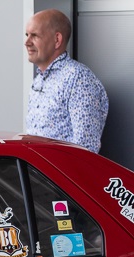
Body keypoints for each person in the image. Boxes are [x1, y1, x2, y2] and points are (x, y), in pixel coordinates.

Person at [24, 9, 108, 153]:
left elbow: (86, 149)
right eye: (27, 35)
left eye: (35, 35)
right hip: (38, 175)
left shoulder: (79, 79)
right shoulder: (39, 80)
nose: (27, 42)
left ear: (57, 40)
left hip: (59, 175)